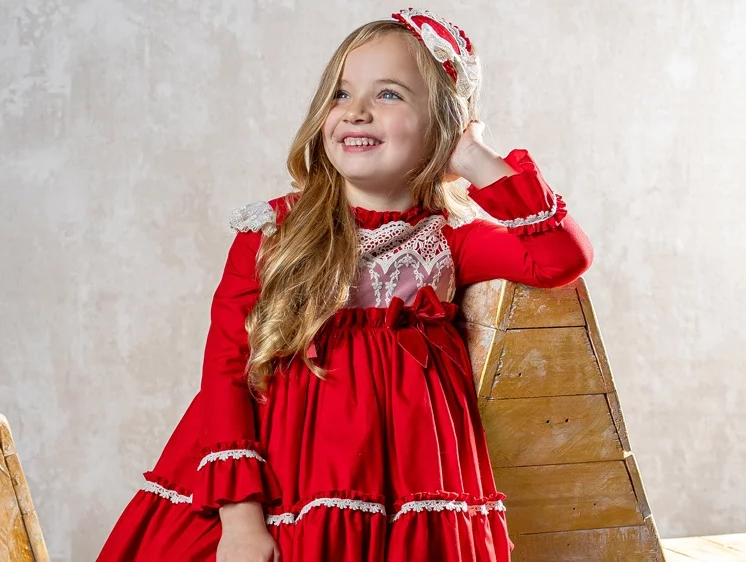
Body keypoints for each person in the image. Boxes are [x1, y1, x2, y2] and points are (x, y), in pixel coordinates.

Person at [97, 7, 593, 562]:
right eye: (340, 94)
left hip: (407, 498)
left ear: (443, 125)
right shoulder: (273, 234)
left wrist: (476, 159)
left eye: (389, 94)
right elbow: (227, 371)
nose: (355, 111)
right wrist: (241, 523)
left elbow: (562, 257)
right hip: (281, 493)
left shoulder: (450, 242)